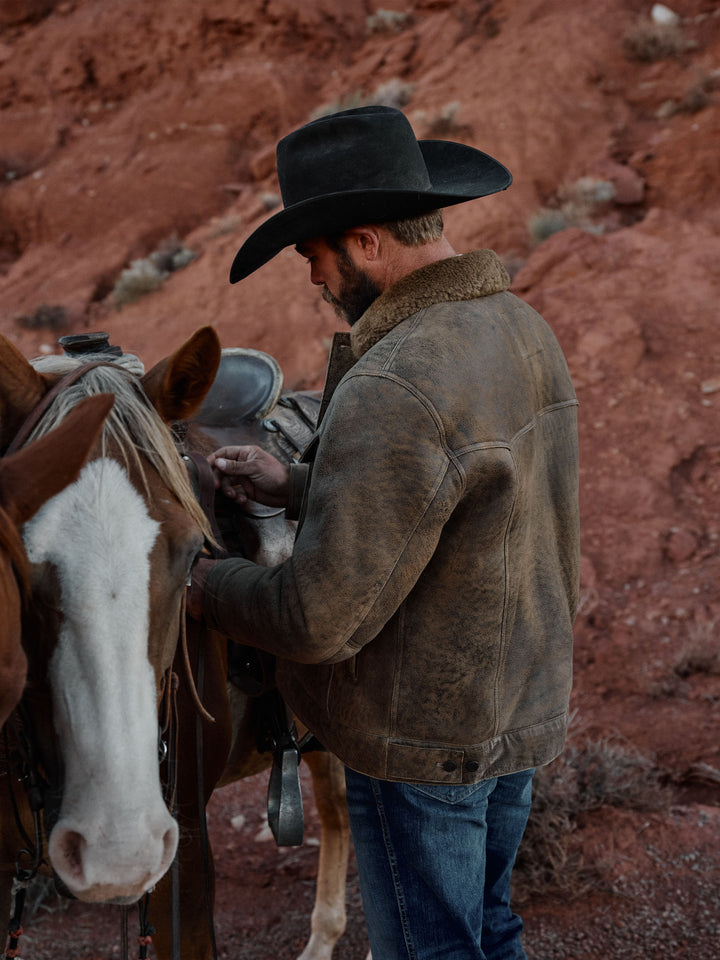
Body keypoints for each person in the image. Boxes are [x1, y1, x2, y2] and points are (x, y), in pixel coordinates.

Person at [189, 105, 580, 960]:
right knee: (489, 927)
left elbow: (315, 620)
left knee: (428, 949)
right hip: (517, 707)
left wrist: (199, 583)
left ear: (366, 243)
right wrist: (295, 481)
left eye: (315, 257)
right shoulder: (522, 329)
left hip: (422, 740)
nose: (315, 280)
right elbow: (463, 491)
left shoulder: (397, 377)